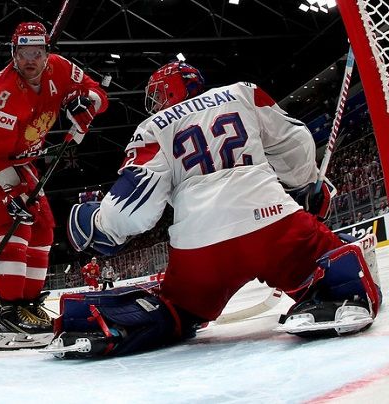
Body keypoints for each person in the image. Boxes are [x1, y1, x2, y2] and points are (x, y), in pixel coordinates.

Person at [52, 61, 382, 359]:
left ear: (171, 90)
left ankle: (119, 322)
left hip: (200, 245)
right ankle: (335, 292)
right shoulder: (243, 92)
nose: (154, 104)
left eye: (157, 96)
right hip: (271, 221)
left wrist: (100, 223)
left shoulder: (154, 126)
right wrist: (305, 183)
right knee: (319, 264)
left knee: (177, 307)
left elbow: (132, 208)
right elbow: (294, 143)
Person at [0, 21, 109, 350]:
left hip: (23, 162)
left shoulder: (61, 68)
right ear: (14, 54)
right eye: (23, 53)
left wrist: (86, 105)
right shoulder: (3, 91)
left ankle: (27, 307)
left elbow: (100, 94)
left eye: (37, 52)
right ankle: (11, 315)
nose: (30, 60)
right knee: (15, 226)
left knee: (44, 229)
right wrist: (11, 191)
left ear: (47, 53)